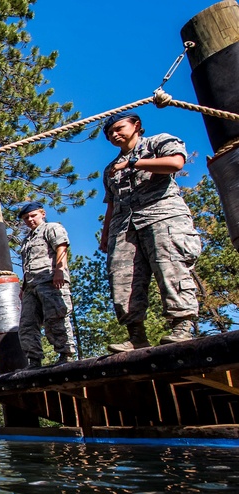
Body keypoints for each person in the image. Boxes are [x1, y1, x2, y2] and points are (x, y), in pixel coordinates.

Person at [100, 111, 202, 353]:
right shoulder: (111, 168)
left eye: (119, 128)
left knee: (171, 269)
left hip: (163, 217)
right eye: (109, 133)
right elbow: (112, 204)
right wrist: (106, 236)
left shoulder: (158, 143)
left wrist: (135, 162)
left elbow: (175, 163)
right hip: (125, 227)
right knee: (123, 279)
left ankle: (181, 326)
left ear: (136, 125)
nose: (114, 134)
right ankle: (136, 335)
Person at [17, 202, 77, 368]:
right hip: (31, 285)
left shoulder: (52, 228)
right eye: (26, 218)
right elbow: (27, 264)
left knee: (55, 317)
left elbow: (61, 248)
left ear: (42, 213)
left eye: (32, 215)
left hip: (50, 280)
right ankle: (34, 360)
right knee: (27, 324)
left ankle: (66, 354)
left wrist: (60, 271)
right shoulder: (26, 240)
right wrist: (23, 287)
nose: (30, 220)